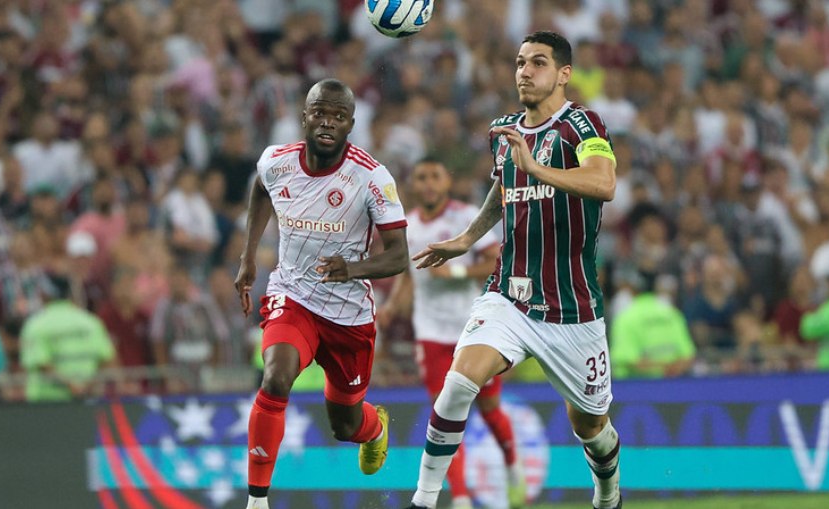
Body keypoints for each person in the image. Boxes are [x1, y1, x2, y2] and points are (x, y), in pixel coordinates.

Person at [403, 31, 621, 509]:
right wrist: (467, 239)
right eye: (520, 62)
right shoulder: (502, 130)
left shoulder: (584, 126)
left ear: (564, 74)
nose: (525, 71)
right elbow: (504, 188)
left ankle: (608, 492)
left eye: (538, 63)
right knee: (460, 382)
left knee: (591, 426)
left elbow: (604, 185)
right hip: (510, 294)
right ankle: (424, 498)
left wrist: (537, 168)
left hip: (573, 308)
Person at [233, 79, 409, 509]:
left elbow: (399, 256)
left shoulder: (371, 178)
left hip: (348, 316)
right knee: (275, 378)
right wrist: (248, 257)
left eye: (338, 116)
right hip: (292, 295)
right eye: (320, 113)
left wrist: (353, 269)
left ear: (350, 124)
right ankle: (258, 500)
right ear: (305, 116)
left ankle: (374, 427)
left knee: (346, 425)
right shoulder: (276, 162)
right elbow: (260, 190)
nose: (328, 122)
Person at [380, 158, 523, 509]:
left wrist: (456, 274)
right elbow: (408, 278)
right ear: (412, 185)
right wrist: (392, 307)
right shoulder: (409, 226)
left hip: (474, 331)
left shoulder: (467, 217)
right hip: (430, 334)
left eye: (435, 176)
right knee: (444, 413)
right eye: (421, 177)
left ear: (447, 182)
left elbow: (495, 261)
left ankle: (512, 465)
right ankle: (460, 497)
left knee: (489, 409)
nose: (428, 183)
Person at [19, 277, 117, 402]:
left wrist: (72, 387)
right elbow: (107, 360)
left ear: (44, 295)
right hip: (87, 400)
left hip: (46, 403)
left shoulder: (35, 325)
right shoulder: (91, 322)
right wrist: (86, 387)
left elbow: (41, 364)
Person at [610, 271, 696, 379]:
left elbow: (624, 360)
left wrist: (657, 369)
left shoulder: (624, 318)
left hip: (634, 389)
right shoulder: (673, 314)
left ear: (632, 290)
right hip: (673, 385)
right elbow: (688, 356)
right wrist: (667, 370)